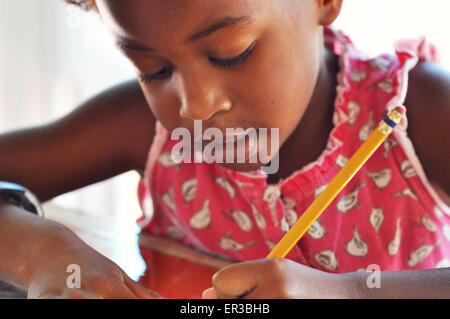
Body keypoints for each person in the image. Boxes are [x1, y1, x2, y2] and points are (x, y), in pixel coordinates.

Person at [0, 0, 449, 299]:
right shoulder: (140, 125)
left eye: (230, 53)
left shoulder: (417, 114)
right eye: (153, 70)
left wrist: (351, 291)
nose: (196, 107)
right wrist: (41, 253)